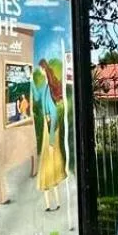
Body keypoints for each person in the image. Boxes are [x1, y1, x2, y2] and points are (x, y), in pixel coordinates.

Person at [34, 57, 67, 211]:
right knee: (47, 164)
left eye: (40, 69)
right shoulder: (44, 88)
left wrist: (53, 141)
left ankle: (56, 202)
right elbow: (36, 97)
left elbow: (53, 116)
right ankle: (51, 204)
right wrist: (31, 82)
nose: (40, 71)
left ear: (43, 69)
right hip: (48, 129)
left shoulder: (50, 89)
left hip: (51, 129)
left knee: (50, 162)